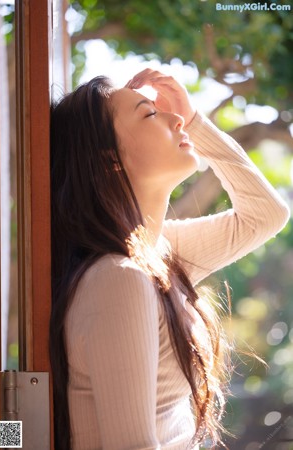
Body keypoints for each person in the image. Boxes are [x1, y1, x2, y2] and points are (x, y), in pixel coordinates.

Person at [49, 68, 290, 450]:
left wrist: (196, 123)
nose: (175, 118)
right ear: (110, 160)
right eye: (148, 114)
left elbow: (266, 215)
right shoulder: (119, 278)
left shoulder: (156, 253)